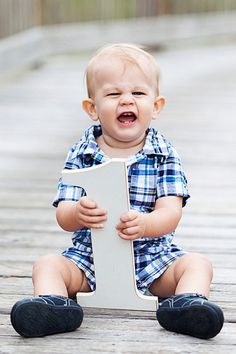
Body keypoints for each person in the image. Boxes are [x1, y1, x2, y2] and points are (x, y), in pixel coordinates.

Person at [11, 43, 224, 339]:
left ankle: (187, 305)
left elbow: (171, 212)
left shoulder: (164, 154)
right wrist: (78, 212)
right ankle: (54, 305)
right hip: (90, 258)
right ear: (92, 109)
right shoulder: (81, 153)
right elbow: (64, 214)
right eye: (113, 94)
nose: (127, 101)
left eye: (138, 93)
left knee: (197, 264)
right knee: (47, 264)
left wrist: (146, 223)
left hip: (152, 259)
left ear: (156, 106)